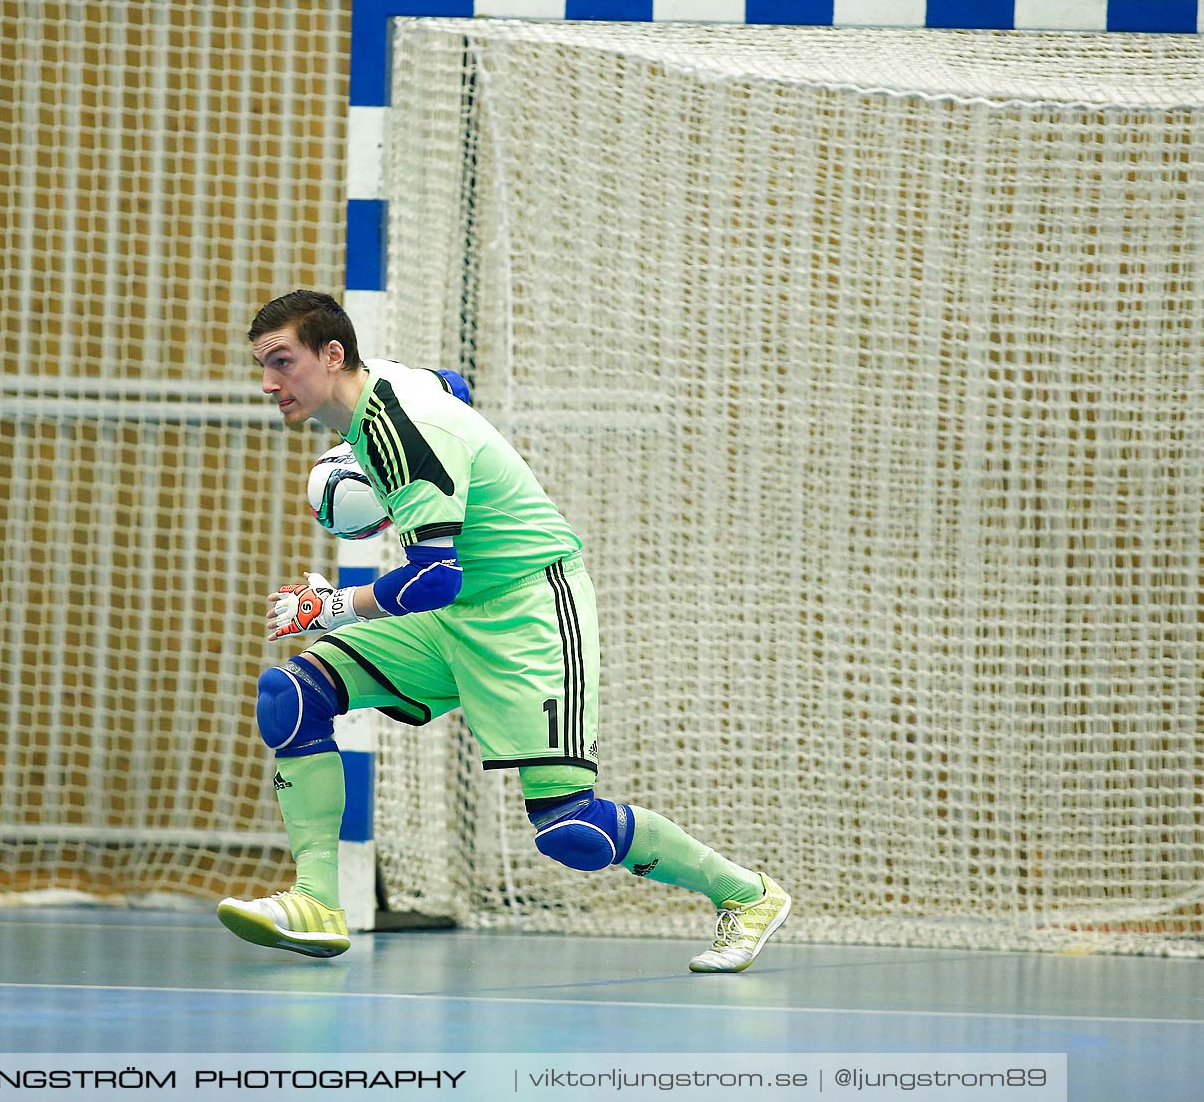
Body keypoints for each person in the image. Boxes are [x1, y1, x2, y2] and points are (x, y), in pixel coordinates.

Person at [218, 289, 790, 972]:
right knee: (294, 694)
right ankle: (317, 899)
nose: (268, 382)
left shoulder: (404, 426)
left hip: (530, 606)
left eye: (282, 362)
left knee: (570, 831)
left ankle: (746, 895)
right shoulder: (380, 393)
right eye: (263, 365)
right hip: (455, 616)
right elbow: (452, 385)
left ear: (332, 354)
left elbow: (435, 580)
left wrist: (330, 606)